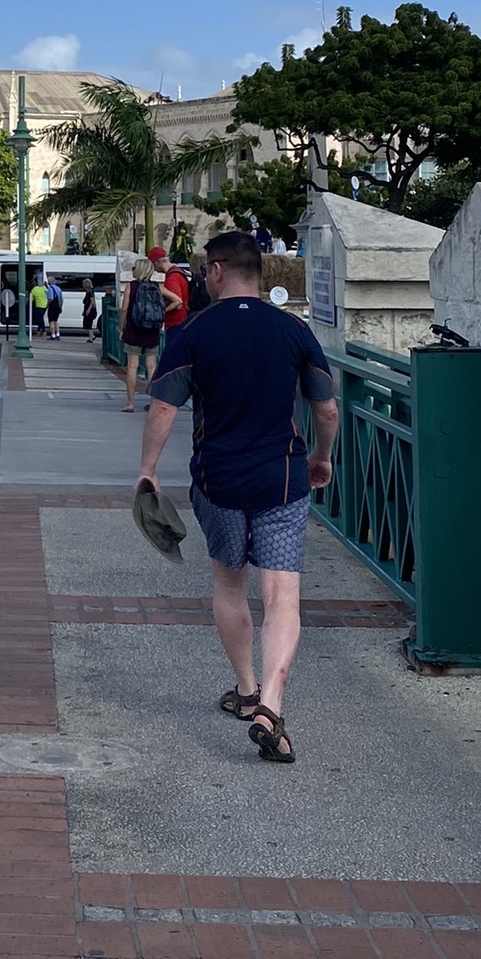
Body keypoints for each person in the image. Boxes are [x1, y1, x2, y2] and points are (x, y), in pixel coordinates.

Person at [135, 230, 339, 766]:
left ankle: (247, 690)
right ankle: (272, 705)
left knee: (230, 584)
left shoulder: (196, 332)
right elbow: (327, 408)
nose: (203, 278)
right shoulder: (293, 331)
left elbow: (162, 410)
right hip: (284, 479)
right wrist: (322, 457)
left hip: (218, 480)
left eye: (205, 271)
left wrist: (148, 472)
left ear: (219, 270)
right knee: (282, 597)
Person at [120, 257, 165, 410]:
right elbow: (176, 300)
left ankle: (130, 403)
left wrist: (122, 327)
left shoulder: (131, 287)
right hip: (152, 330)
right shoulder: (157, 287)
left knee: (132, 366)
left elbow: (124, 309)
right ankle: (153, 401)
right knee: (151, 366)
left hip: (134, 330)